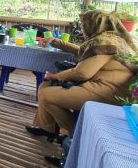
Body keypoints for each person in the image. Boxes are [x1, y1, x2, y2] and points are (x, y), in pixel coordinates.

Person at [26, 10, 137, 139]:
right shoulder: (110, 39)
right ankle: (47, 128)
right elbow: (83, 52)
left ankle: (74, 136)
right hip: (104, 86)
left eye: (84, 25)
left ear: (93, 25)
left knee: (46, 94)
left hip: (109, 92)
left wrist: (57, 76)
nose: (82, 29)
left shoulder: (104, 42)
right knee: (45, 85)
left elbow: (82, 73)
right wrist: (55, 41)